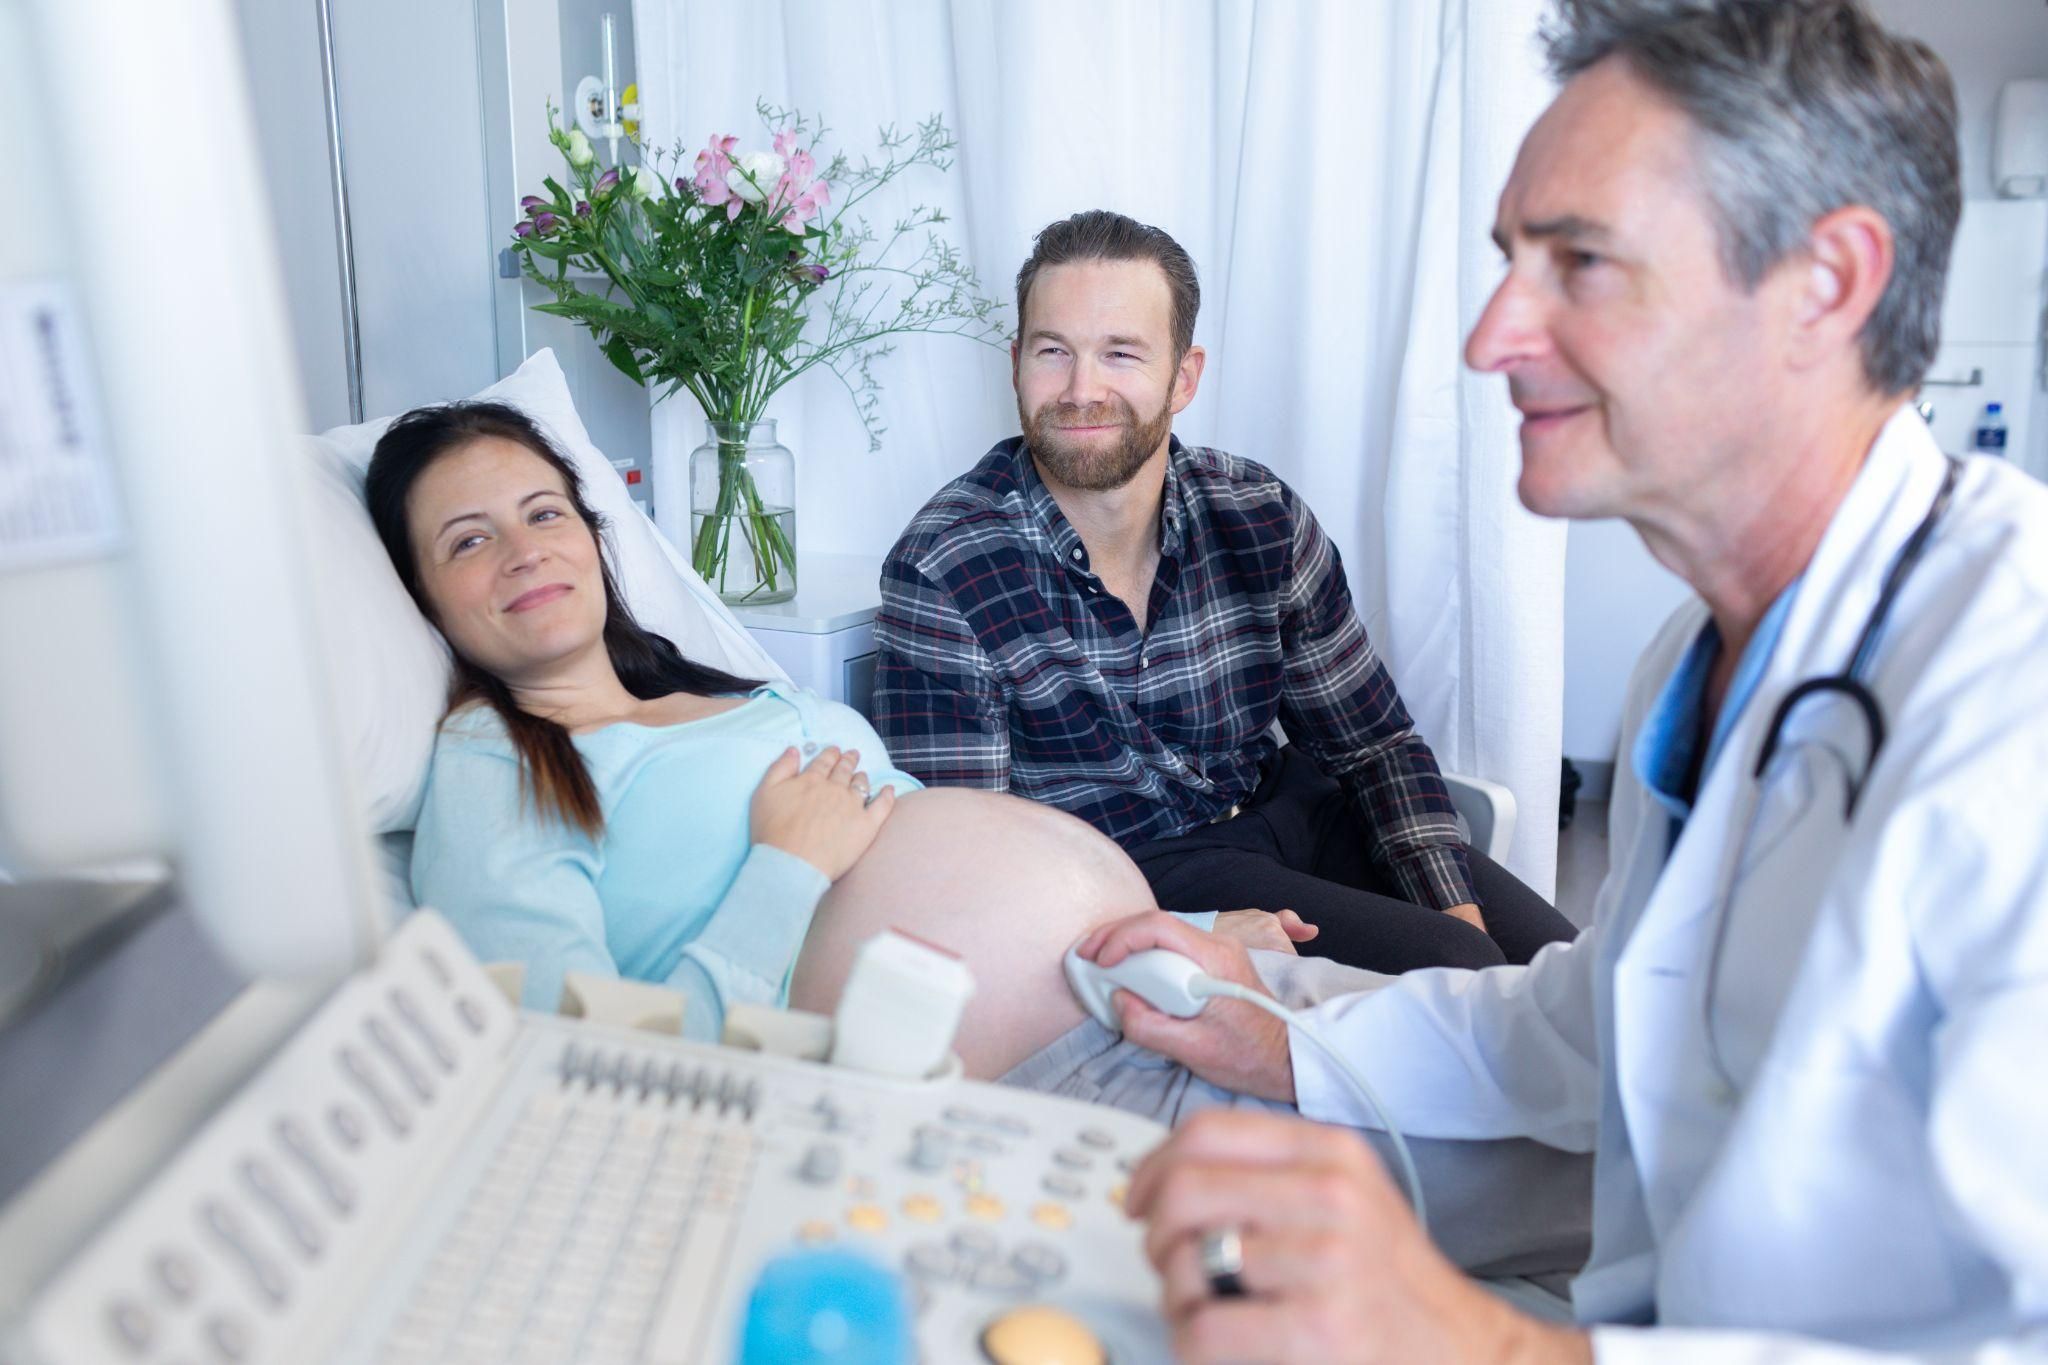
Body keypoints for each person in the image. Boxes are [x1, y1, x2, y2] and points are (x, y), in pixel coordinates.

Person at [1079, 1, 2048, 1360]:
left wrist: (1495, 1347)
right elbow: (1601, 1019)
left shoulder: (2013, 697)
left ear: (1826, 283)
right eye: (1506, 262)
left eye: (1579, 262)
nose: (1491, 338)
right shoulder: (1707, 655)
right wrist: (1269, 1025)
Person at [365, 400, 1313, 1065]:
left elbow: (941, 859)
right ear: (421, 599)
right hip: (1028, 1079)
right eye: (469, 539)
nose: (525, 548)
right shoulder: (495, 765)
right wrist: (785, 868)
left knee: (1453, 1065)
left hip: (1150, 988)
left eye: (543, 513)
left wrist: (1191, 932)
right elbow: (577, 1065)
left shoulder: (727, 696)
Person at [873, 209, 1578, 974]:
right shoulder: (946, 565)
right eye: (1053, 351)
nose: (1082, 389)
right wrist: (1193, 924)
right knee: (1461, 974)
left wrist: (1457, 906)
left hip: (1296, 811)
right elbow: (967, 866)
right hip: (1138, 870)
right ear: (1015, 363)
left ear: (1184, 377)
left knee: (1570, 974)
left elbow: (1374, 746)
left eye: (1120, 353)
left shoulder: (1257, 511)